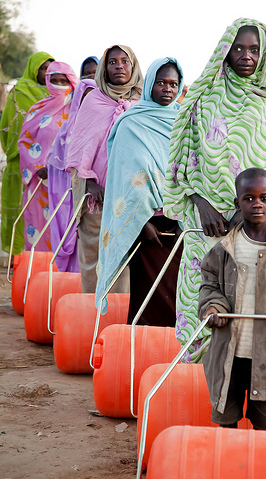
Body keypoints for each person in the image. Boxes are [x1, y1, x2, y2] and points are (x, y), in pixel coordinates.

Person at [163, 18, 266, 363]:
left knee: (252, 313)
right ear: (225, 51)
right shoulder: (204, 99)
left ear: (265, 54)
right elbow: (184, 163)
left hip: (257, 233)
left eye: (254, 49)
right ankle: (197, 389)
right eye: (238, 48)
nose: (246, 55)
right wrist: (200, 202)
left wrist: (261, 220)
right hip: (210, 228)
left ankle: (245, 394)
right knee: (205, 304)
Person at [198, 167, 266, 430]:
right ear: (238, 203)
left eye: (264, 197)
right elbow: (209, 285)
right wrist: (213, 307)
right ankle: (230, 468)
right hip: (229, 352)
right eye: (249, 198)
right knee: (227, 419)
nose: (257, 204)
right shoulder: (223, 249)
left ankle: (265, 470)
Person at [95, 57, 184, 325]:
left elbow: (192, 172)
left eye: (173, 84)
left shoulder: (185, 122)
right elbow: (123, 179)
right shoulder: (130, 123)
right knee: (147, 295)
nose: (167, 88)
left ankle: (174, 354)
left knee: (179, 293)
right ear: (149, 85)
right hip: (145, 224)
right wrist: (142, 223)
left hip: (182, 224)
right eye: (161, 83)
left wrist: (186, 220)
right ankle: (142, 351)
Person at [66, 45, 143, 293]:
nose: (119, 66)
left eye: (124, 61)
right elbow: (79, 148)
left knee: (125, 261)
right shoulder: (93, 102)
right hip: (97, 199)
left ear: (133, 66)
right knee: (94, 259)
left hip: (131, 199)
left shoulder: (144, 104)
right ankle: (90, 318)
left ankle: (116, 323)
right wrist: (89, 184)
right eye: (112, 62)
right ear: (104, 69)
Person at [18, 62, 78, 252]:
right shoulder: (37, 110)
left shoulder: (78, 111)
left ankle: (61, 280)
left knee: (65, 231)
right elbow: (24, 142)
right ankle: (37, 278)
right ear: (47, 81)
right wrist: (37, 168)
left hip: (67, 184)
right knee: (38, 228)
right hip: (39, 183)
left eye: (64, 80)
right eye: (54, 80)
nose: (59, 85)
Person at [0, 52, 54, 255]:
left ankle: (36, 260)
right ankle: (16, 258)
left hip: (46, 170)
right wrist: (21, 152)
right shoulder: (19, 91)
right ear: (33, 69)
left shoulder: (55, 96)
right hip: (19, 161)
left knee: (41, 215)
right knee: (18, 211)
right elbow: (7, 125)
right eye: (42, 68)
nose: (46, 73)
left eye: (50, 70)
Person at [47, 78, 98, 272]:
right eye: (85, 97)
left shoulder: (107, 126)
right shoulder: (66, 130)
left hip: (93, 203)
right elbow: (55, 166)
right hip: (68, 199)